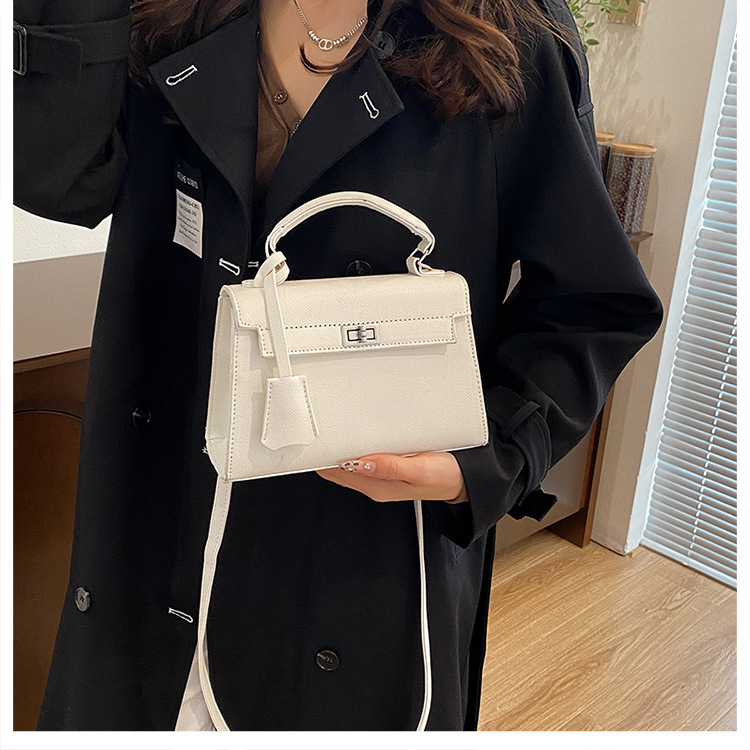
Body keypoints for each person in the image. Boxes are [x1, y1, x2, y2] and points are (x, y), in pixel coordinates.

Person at [14, 0, 663, 732]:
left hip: (355, 578)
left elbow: (592, 303)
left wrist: (485, 461)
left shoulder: (508, 37)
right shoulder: (176, 10)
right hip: (150, 550)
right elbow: (56, 177)